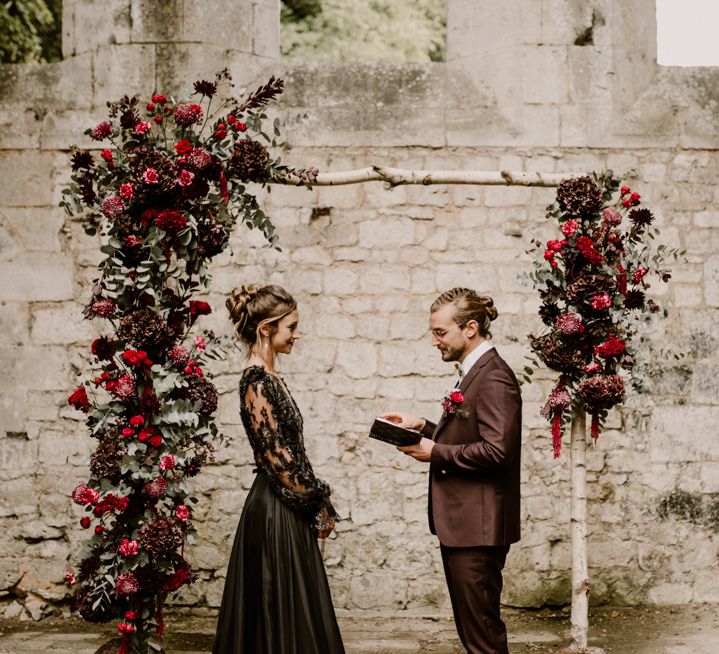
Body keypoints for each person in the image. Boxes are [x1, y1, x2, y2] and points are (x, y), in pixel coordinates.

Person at [382, 288, 522, 654]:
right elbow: (472, 434)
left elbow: (497, 451)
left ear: (470, 328)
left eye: (441, 332)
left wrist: (436, 451)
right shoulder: (474, 371)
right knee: (474, 631)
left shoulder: (493, 377)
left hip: (478, 528)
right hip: (466, 526)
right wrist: (425, 428)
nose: (434, 341)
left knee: (482, 637)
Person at [213, 283, 345, 654]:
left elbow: (290, 453)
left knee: (296, 607)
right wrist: (318, 499)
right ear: (266, 330)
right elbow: (278, 459)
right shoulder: (256, 382)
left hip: (287, 505)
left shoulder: (270, 378)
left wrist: (314, 500)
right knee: (277, 607)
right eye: (291, 327)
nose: (297, 334)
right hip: (275, 511)